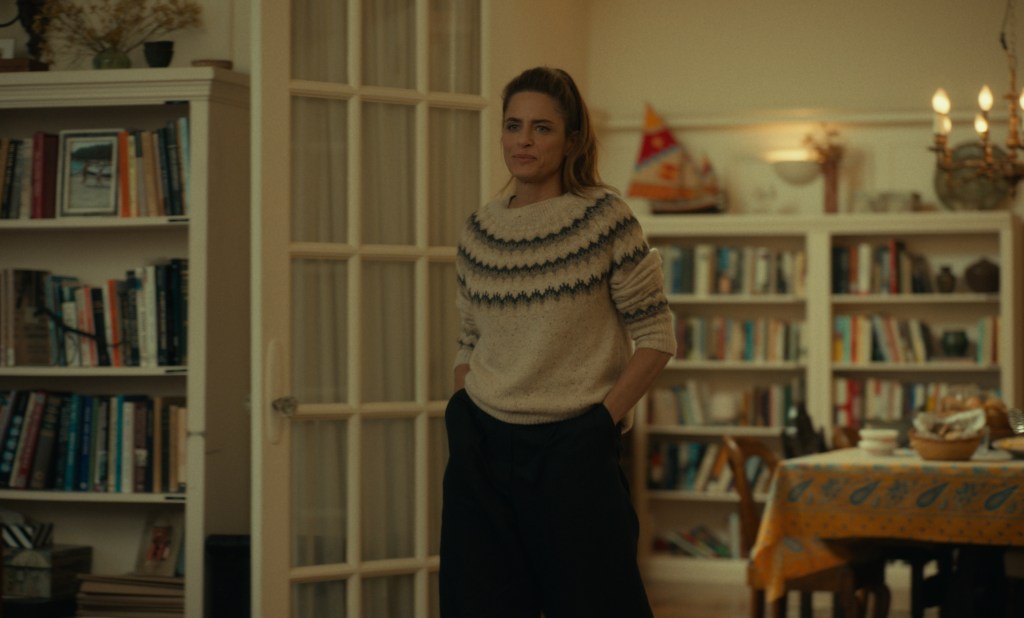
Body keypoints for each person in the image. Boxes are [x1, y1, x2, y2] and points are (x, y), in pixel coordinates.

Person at [440, 66, 677, 618]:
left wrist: (597, 425)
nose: (523, 140)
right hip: (482, 448)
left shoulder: (604, 219)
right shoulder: (478, 232)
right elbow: (469, 338)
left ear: (571, 139)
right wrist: (462, 409)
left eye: (541, 128)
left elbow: (657, 334)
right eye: (513, 125)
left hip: (574, 450)